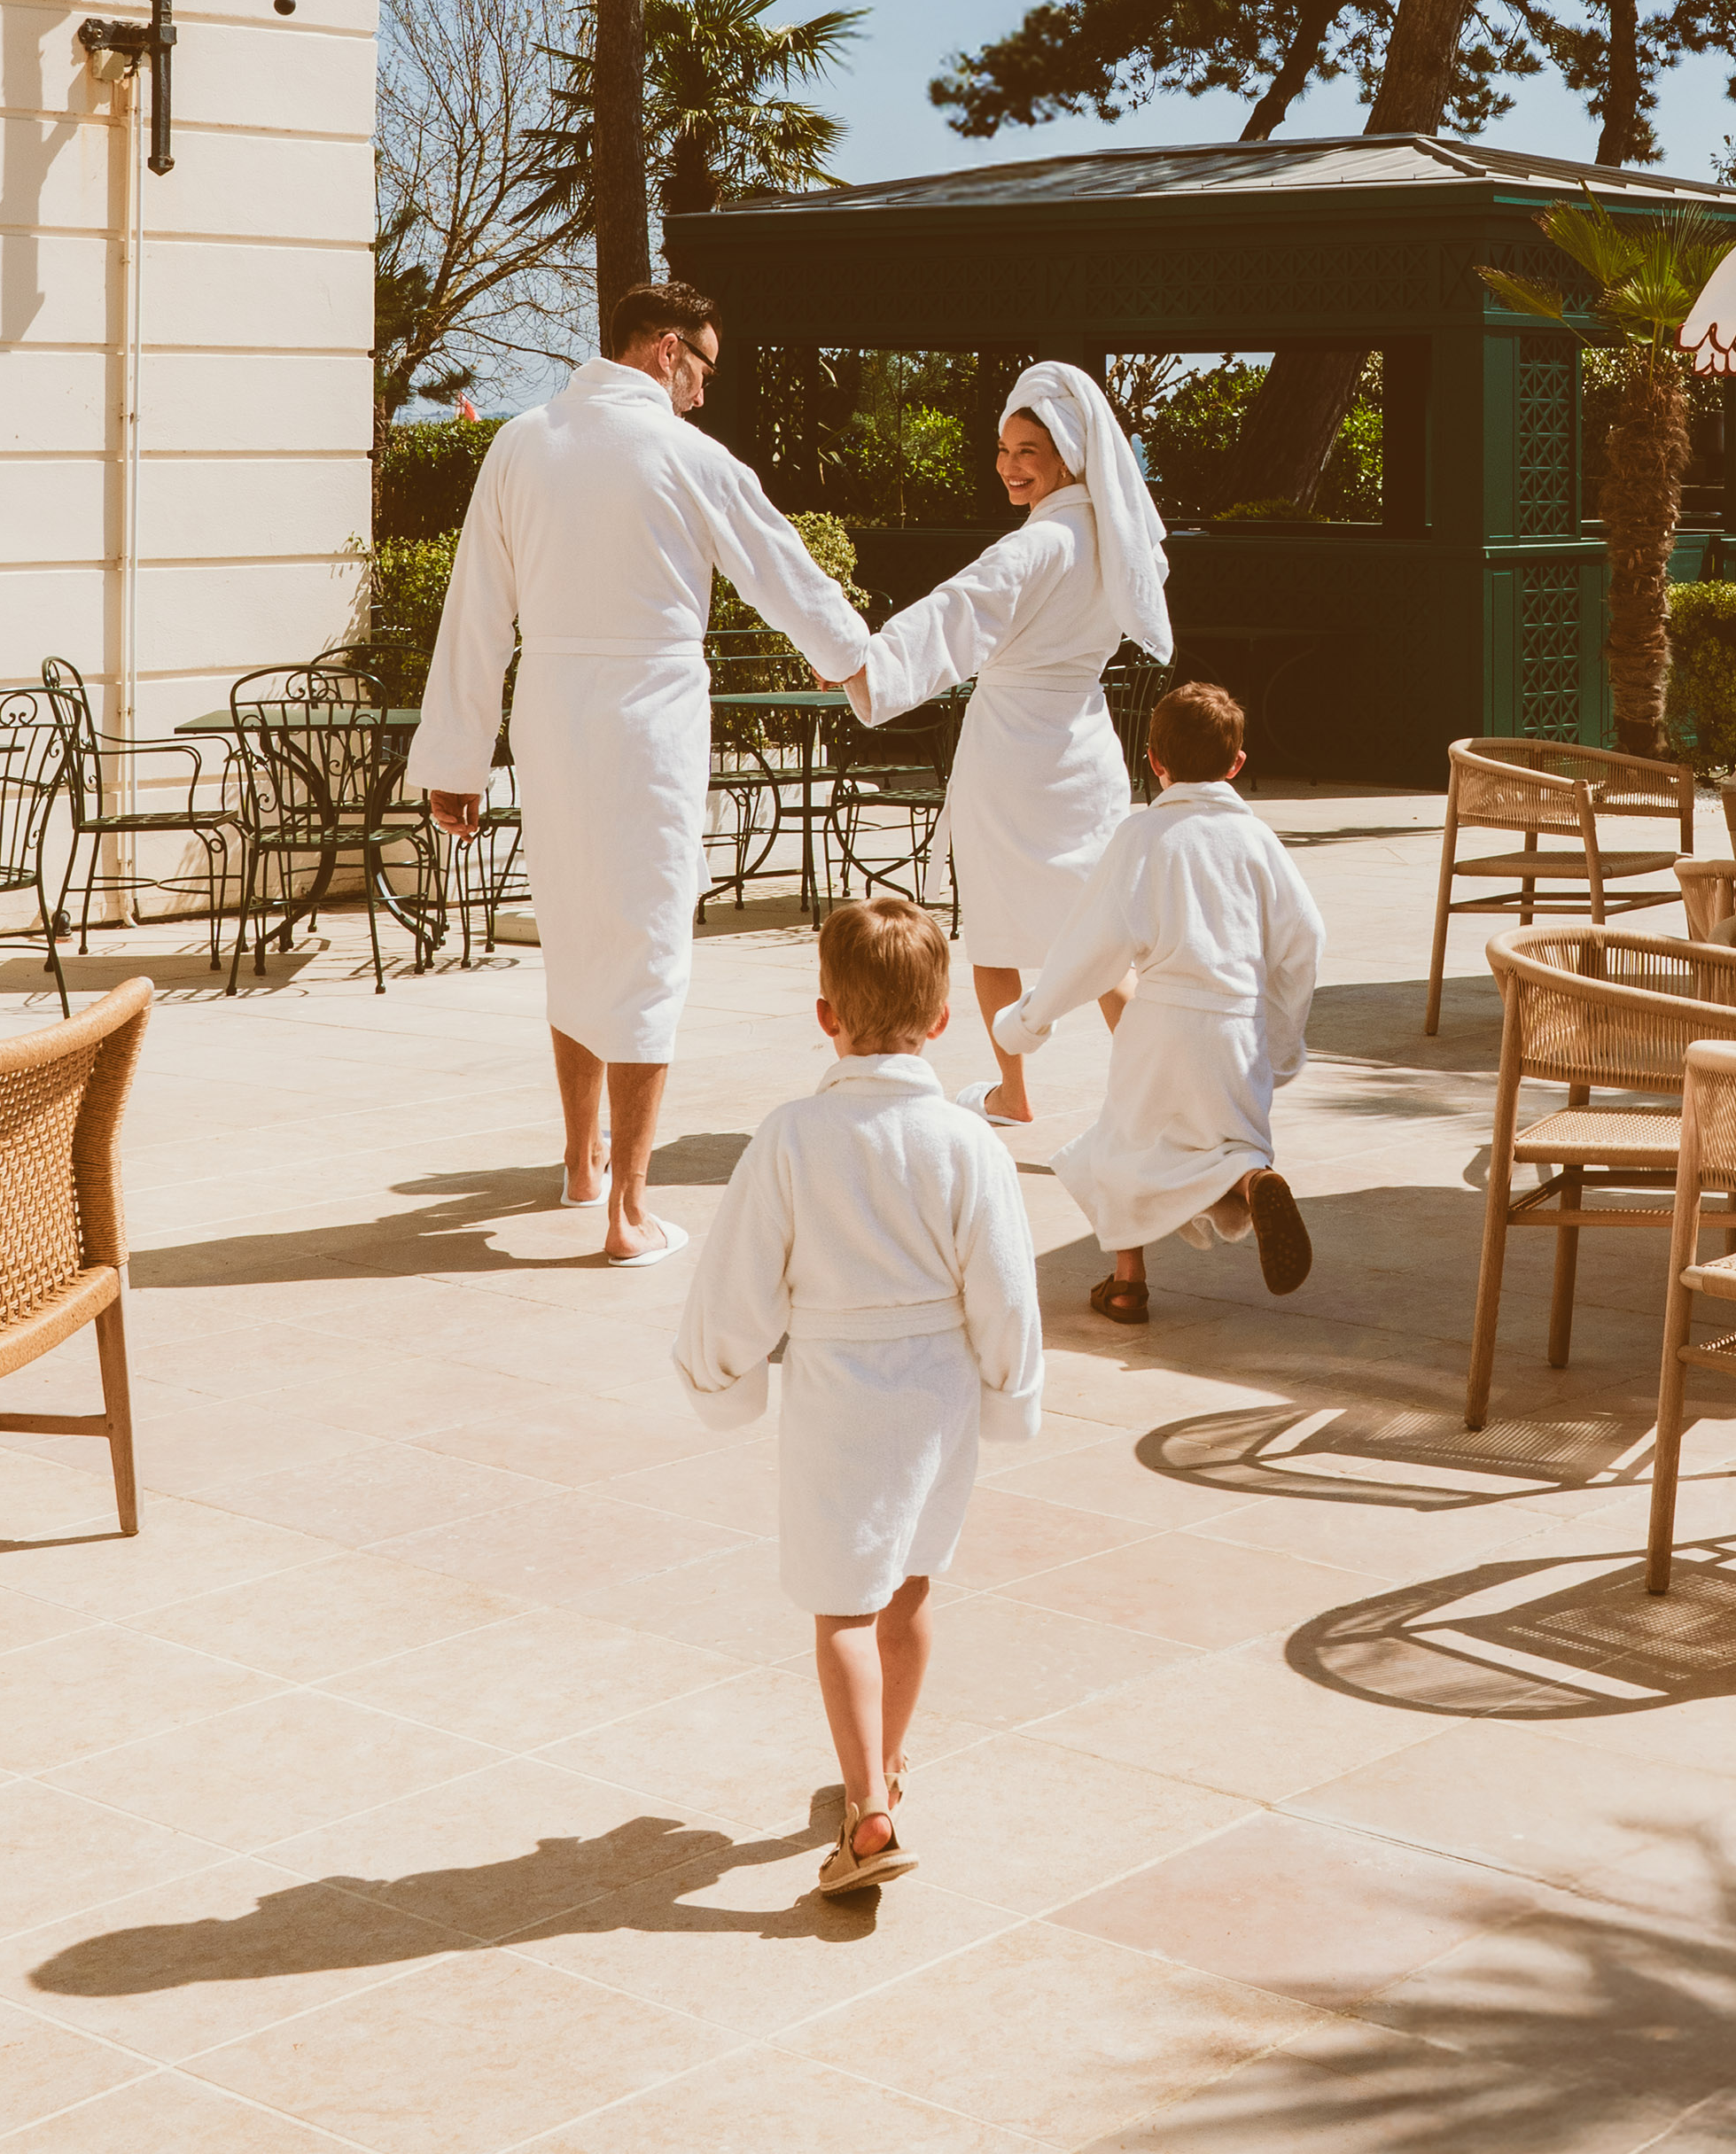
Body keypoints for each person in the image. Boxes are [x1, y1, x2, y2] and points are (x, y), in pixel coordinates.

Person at [412, 282, 870, 1264]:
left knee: (575, 933)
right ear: (665, 351)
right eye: (701, 369)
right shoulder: (685, 452)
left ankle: (580, 1163)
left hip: (549, 712)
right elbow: (782, 568)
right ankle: (627, 1210)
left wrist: (457, 759)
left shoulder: (519, 441)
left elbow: (474, 608)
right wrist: (859, 662)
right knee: (649, 943)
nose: (702, 393)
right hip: (651, 717)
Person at [671, 892, 1041, 1895]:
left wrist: (720, 1370)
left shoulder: (789, 1137)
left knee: (841, 1602)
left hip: (836, 1389)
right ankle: (887, 1767)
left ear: (825, 1013)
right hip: (937, 1389)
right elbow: (1005, 1283)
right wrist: (1010, 1387)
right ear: (943, 1018)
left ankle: (867, 1803)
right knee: (910, 1581)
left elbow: (738, 1275)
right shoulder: (971, 1143)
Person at [859, 361, 1173, 1129]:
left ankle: (1015, 1094)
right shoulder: (1116, 540)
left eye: (1027, 450)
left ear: (1066, 451)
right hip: (1085, 747)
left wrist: (862, 660)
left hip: (1013, 754)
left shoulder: (1036, 547)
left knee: (996, 932)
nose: (1007, 466)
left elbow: (953, 613)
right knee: (1097, 935)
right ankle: (1165, 1097)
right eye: (1002, 450)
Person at [993, 679, 1324, 1330]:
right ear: (1237, 765)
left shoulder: (1142, 837)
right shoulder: (1257, 842)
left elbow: (1094, 946)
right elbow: (1304, 938)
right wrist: (1281, 1037)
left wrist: (1029, 1021)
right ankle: (1251, 1183)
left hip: (1161, 1022)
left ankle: (1127, 1284)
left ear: (1153, 761)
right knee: (1226, 1143)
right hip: (1237, 1025)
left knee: (1124, 1148)